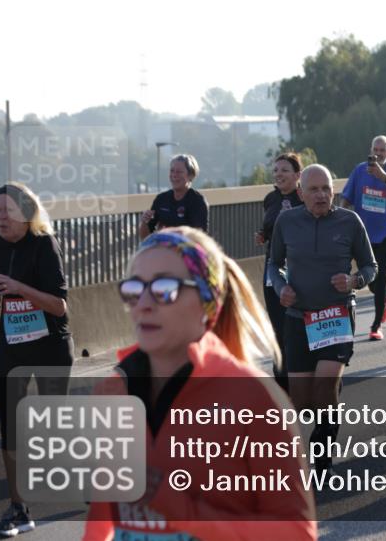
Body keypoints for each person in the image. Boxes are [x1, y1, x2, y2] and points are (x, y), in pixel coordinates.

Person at [85, 227, 316, 540]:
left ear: (209, 303)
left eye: (165, 288)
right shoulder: (111, 394)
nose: (144, 303)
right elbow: (102, 519)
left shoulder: (254, 398)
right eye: (135, 289)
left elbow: (296, 533)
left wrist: (181, 511)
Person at [269, 164, 377, 477]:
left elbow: (371, 267)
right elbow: (273, 265)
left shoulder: (349, 221)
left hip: (336, 314)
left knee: (325, 386)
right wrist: (281, 287)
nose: (321, 195)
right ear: (300, 192)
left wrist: (354, 280)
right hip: (298, 318)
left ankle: (324, 454)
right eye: (313, 189)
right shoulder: (286, 221)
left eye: (326, 189)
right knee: (303, 401)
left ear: (334, 191)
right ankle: (323, 420)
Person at [0, 183, 74, 538]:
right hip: (11, 343)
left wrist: (19, 288)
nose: (0, 218)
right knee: (11, 425)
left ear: (26, 212)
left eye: (7, 211)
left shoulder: (44, 244)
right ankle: (18, 509)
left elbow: (59, 305)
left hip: (50, 344)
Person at [339, 135, 386, 340]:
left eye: (382, 150)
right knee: (370, 280)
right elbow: (346, 196)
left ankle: (376, 326)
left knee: (380, 277)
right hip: (363, 235)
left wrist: (382, 176)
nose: (377, 154)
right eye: (375, 150)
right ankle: (385, 297)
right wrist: (339, 215)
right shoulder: (361, 170)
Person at [255, 152, 304, 390]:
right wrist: (262, 235)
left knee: (297, 324)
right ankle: (282, 383)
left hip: (301, 268)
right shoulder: (270, 199)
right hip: (273, 269)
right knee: (277, 325)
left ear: (297, 175)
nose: (279, 174)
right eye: (276, 170)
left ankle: (303, 375)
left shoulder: (305, 197)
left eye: (284, 170)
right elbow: (269, 228)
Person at [137, 154, 209, 238]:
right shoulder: (161, 199)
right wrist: (144, 222)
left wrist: (168, 233)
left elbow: (199, 238)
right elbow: (145, 238)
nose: (174, 175)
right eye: (172, 171)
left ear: (190, 175)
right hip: (163, 249)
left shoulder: (197, 201)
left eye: (179, 172)